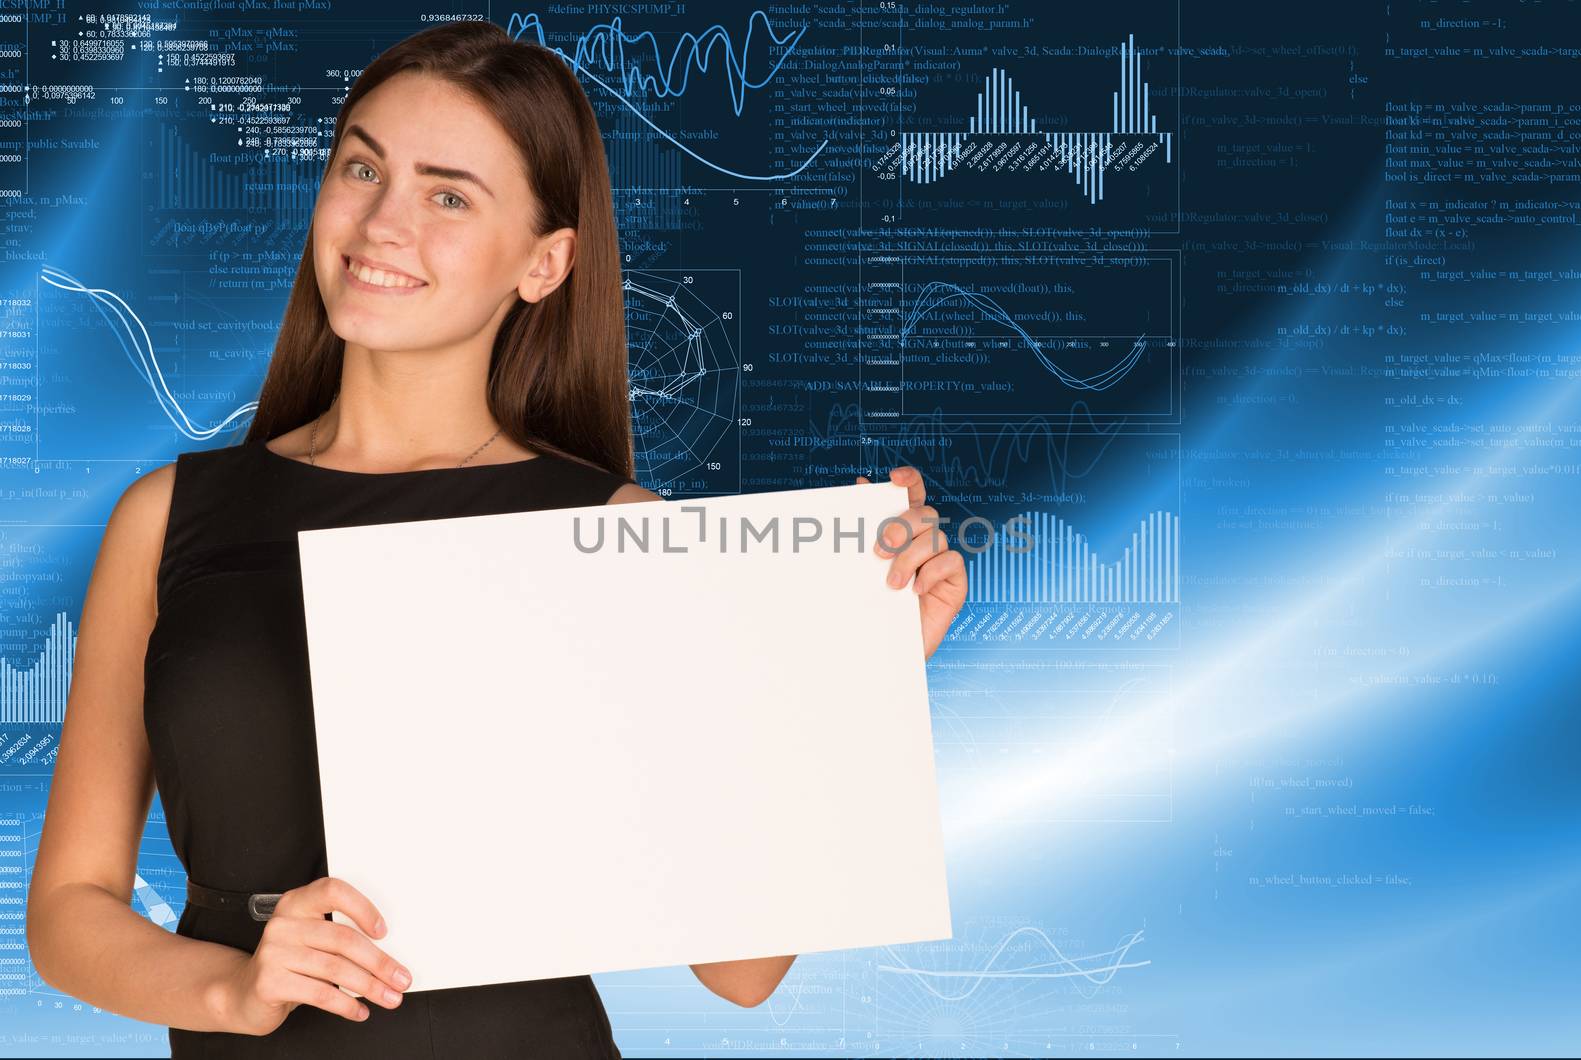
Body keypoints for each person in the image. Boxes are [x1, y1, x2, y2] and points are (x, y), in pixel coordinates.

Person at [24, 20, 969, 1059]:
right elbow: (70, 907)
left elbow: (738, 972)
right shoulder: (167, 517)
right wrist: (234, 990)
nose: (383, 220)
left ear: (545, 262)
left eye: (448, 195)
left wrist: (857, 681)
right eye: (361, 167)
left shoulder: (617, 535)